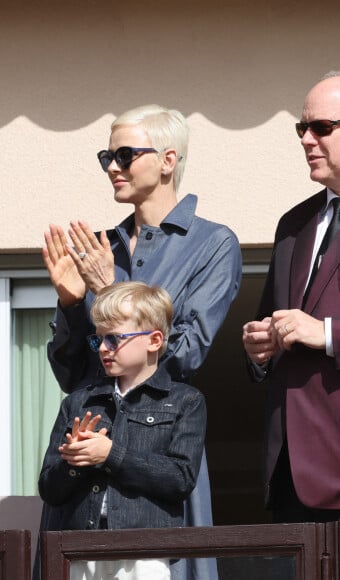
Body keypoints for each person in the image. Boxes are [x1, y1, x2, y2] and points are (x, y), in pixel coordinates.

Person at [42, 104, 241, 579]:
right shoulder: (99, 246)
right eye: (106, 157)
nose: (113, 167)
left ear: (168, 160)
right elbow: (71, 374)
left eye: (125, 154)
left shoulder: (213, 244)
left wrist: (109, 291)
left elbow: (184, 356)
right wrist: (72, 305)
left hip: (157, 458)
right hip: (85, 467)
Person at [39, 281, 206, 580]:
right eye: (98, 340)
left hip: (145, 552)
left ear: (154, 340)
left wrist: (109, 454)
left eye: (114, 339)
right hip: (81, 549)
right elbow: (49, 489)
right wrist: (74, 464)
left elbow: (180, 478)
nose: (103, 348)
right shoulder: (78, 402)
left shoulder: (184, 401)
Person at [242, 71, 340, 523]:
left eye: (321, 128)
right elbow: (272, 323)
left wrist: (326, 333)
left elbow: (316, 331)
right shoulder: (293, 224)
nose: (306, 139)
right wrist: (260, 348)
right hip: (291, 476)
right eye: (301, 128)